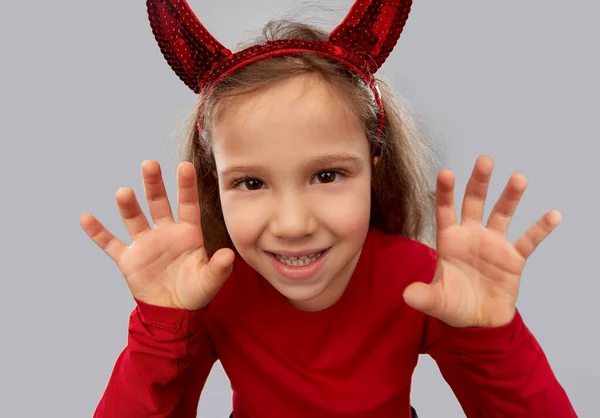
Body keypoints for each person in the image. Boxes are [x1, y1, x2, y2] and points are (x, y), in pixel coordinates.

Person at [80, 1, 577, 417]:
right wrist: (161, 330)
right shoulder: (208, 291)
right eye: (251, 182)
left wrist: (491, 338)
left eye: (327, 175)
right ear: (216, 186)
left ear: (374, 165)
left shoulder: (422, 279)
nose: (293, 225)